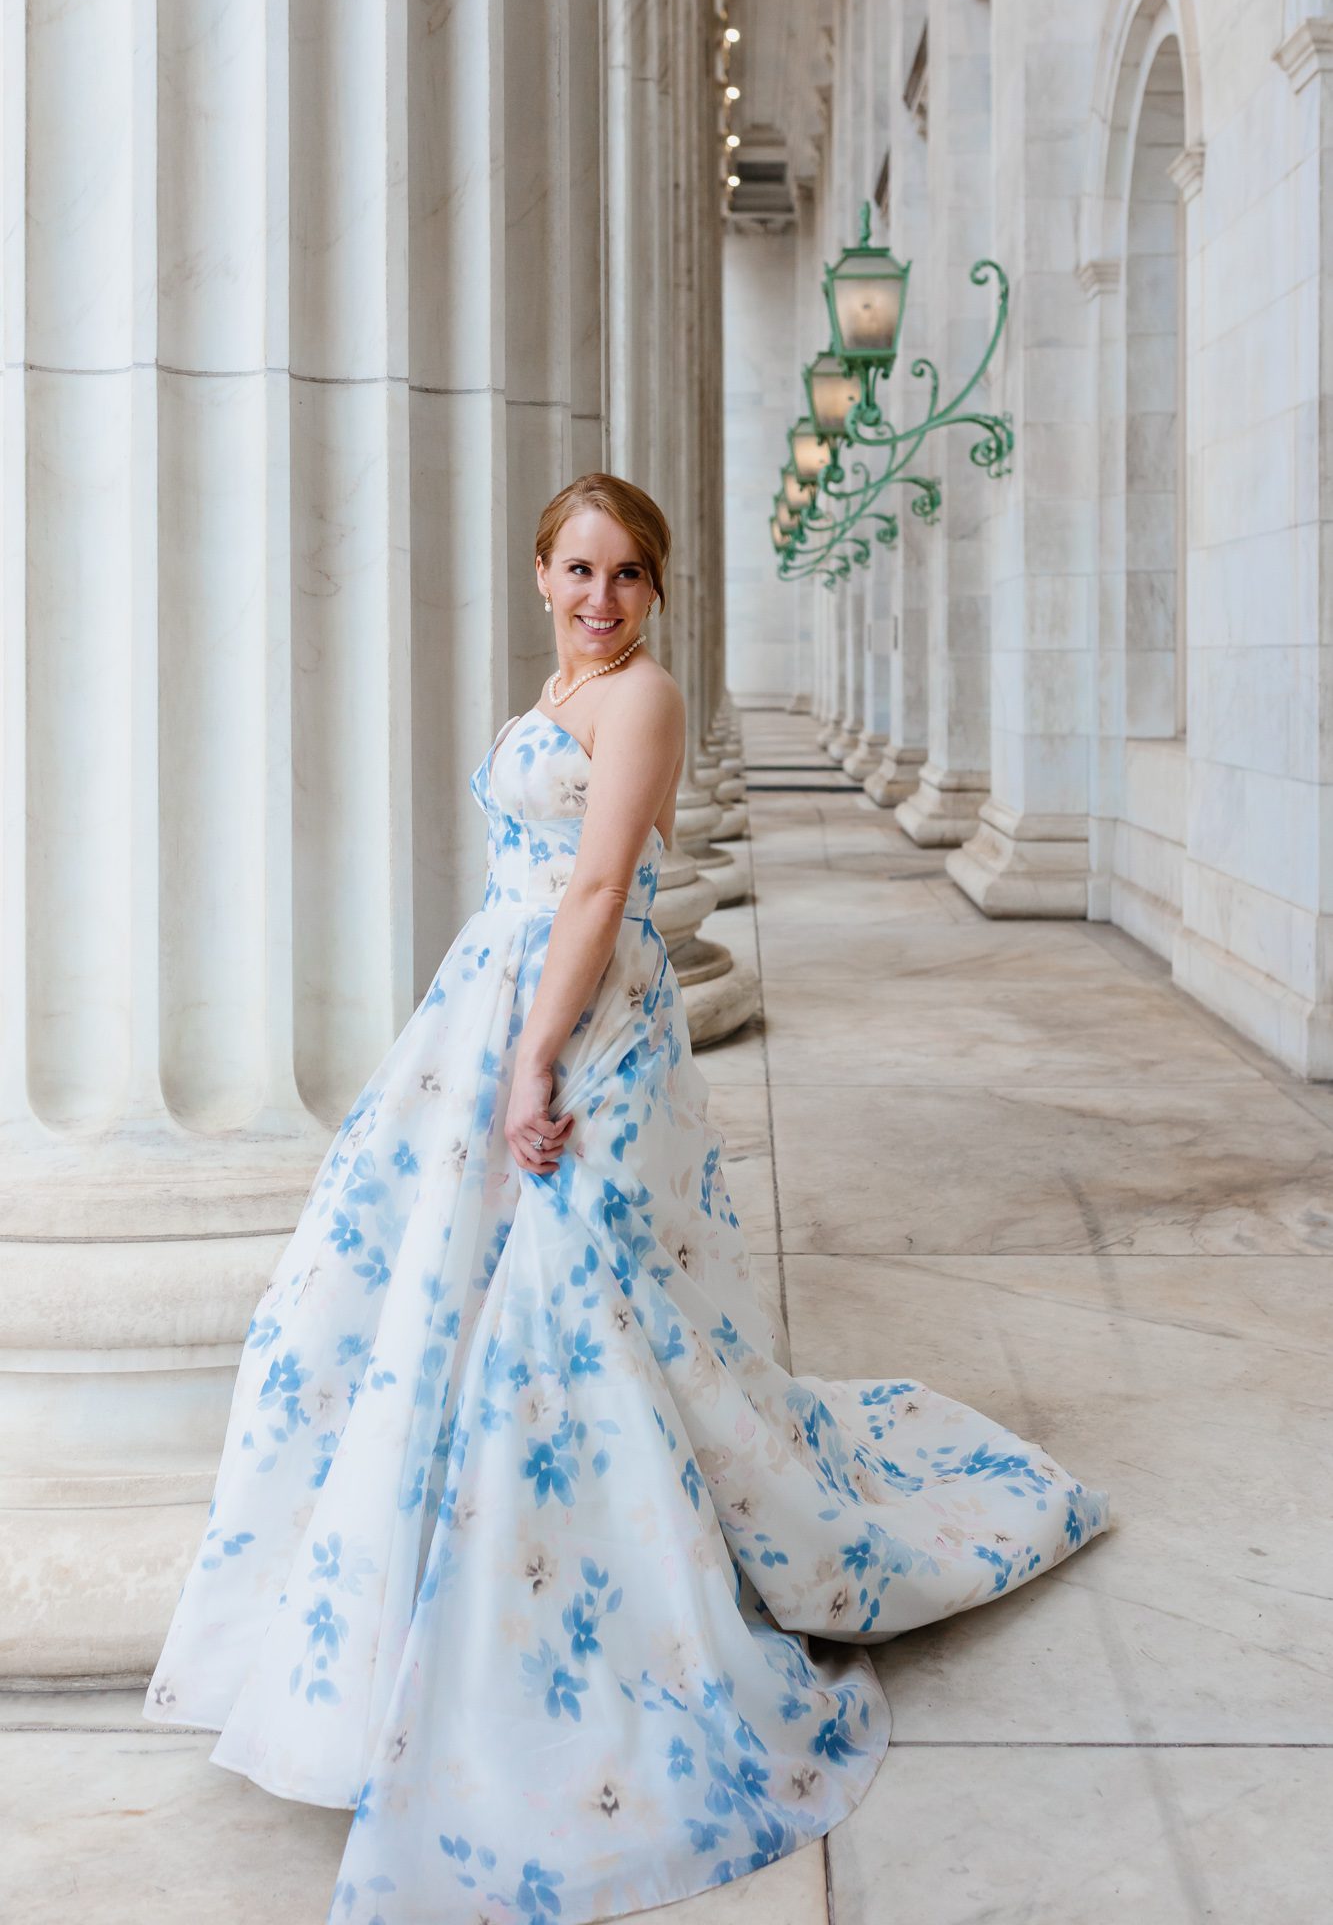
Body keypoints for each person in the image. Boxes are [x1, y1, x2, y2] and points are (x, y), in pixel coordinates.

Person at [143, 472, 1110, 1925]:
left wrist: (534, 1062)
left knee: (566, 1317)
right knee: (407, 1305)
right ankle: (382, 1634)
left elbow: (600, 893)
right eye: (580, 569)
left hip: (573, 1023)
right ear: (542, 575)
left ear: (656, 591)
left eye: (629, 576)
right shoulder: (560, 683)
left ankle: (565, 1631)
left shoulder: (643, 698)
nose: (603, 598)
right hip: (499, 1003)